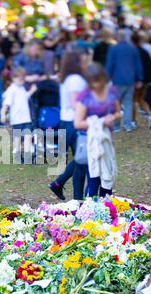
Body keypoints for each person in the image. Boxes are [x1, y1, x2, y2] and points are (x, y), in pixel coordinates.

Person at [74, 63, 121, 197]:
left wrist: (113, 117)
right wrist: (99, 122)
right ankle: (90, 210)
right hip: (90, 142)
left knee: (107, 177)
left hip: (106, 140)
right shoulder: (85, 96)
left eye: (99, 81)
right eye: (93, 82)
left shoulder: (112, 92)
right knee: (93, 179)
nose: (97, 85)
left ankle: (107, 208)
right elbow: (78, 123)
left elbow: (118, 112)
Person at [48, 51, 88, 201]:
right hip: (74, 122)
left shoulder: (69, 79)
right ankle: (62, 185)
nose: (85, 63)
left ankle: (71, 193)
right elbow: (76, 102)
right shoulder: (75, 80)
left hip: (68, 121)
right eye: (83, 61)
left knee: (81, 160)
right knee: (82, 159)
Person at [106, 30, 143, 133]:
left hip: (117, 80)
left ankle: (116, 126)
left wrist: (106, 77)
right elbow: (138, 65)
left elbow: (110, 65)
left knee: (116, 103)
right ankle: (127, 125)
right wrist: (139, 79)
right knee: (128, 102)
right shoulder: (133, 49)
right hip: (130, 80)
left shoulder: (113, 49)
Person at [0, 67, 37, 164]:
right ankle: (17, 155)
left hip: (26, 118)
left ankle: (27, 156)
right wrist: (3, 114)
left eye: (23, 79)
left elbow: (25, 97)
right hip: (17, 120)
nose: (21, 81)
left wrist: (32, 90)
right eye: (19, 79)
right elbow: (6, 103)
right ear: (13, 78)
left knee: (28, 136)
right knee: (17, 139)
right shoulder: (12, 90)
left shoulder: (22, 88)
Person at [131, 31, 151, 128]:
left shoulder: (133, 52)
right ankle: (150, 115)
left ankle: (133, 121)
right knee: (141, 99)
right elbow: (150, 66)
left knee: (133, 100)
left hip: (136, 79)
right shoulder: (144, 51)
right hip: (146, 80)